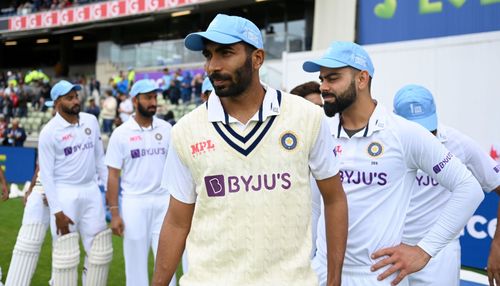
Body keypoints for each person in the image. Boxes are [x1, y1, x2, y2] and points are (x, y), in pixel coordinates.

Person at [152, 14, 348, 286]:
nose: (213, 66)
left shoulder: (306, 117)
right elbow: (176, 222)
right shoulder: (185, 130)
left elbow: (335, 199)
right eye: (208, 55)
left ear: (257, 59)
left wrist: (334, 280)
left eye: (226, 53)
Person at [302, 41, 484, 286]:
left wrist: (424, 250)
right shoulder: (320, 131)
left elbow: (468, 188)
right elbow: (315, 205)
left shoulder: (403, 133)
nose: (323, 87)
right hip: (324, 270)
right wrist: (305, 261)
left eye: (333, 78)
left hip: (376, 274)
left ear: (362, 79)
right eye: (322, 79)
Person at [393, 84, 500, 286]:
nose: (426, 138)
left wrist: (498, 245)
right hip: (389, 250)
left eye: (429, 128)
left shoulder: (458, 142)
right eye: (417, 131)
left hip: (438, 254)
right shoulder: (381, 145)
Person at [38, 80, 112, 286]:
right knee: (65, 256)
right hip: (65, 193)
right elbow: (47, 176)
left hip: (91, 192)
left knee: (98, 251)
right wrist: (57, 211)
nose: (75, 101)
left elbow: (100, 160)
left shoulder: (91, 121)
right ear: (57, 103)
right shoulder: (48, 132)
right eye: (69, 98)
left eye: (76, 96)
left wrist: (108, 190)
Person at [105, 79, 175, 286]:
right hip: (134, 202)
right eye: (148, 98)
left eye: (155, 97)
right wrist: (115, 213)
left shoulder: (167, 128)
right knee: (135, 264)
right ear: (135, 101)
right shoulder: (121, 134)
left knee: (167, 261)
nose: (153, 102)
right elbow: (112, 175)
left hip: (164, 201)